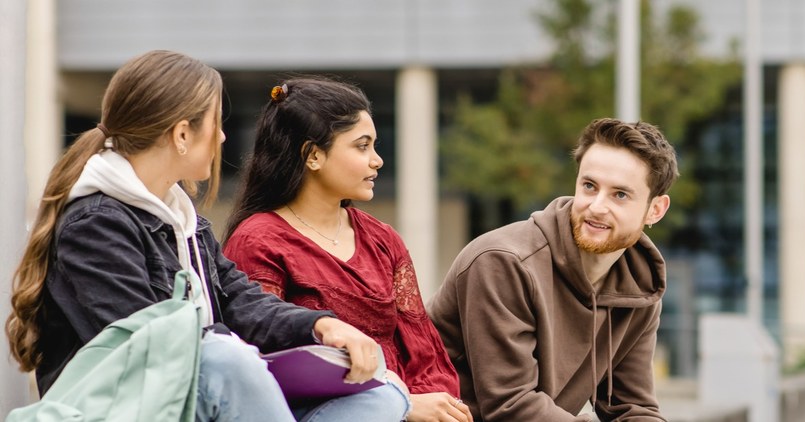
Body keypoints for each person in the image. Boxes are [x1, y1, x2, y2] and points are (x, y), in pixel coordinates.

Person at [4, 50, 408, 422]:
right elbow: (157, 345)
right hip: (135, 405)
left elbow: (240, 298)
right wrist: (242, 355)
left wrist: (321, 327)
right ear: (182, 135)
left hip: (201, 394)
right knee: (222, 357)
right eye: (216, 124)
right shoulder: (94, 225)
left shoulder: (184, 220)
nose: (222, 138)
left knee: (384, 391)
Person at [223, 77, 470, 422]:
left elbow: (423, 350)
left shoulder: (382, 239)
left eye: (375, 146)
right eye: (362, 146)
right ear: (313, 155)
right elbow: (265, 363)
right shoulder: (258, 241)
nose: (377, 161)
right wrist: (401, 404)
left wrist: (434, 406)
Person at [430, 118, 675, 421]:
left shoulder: (638, 288)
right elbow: (511, 408)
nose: (597, 206)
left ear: (656, 210)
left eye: (620, 195)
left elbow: (634, 407)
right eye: (589, 186)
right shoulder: (503, 262)